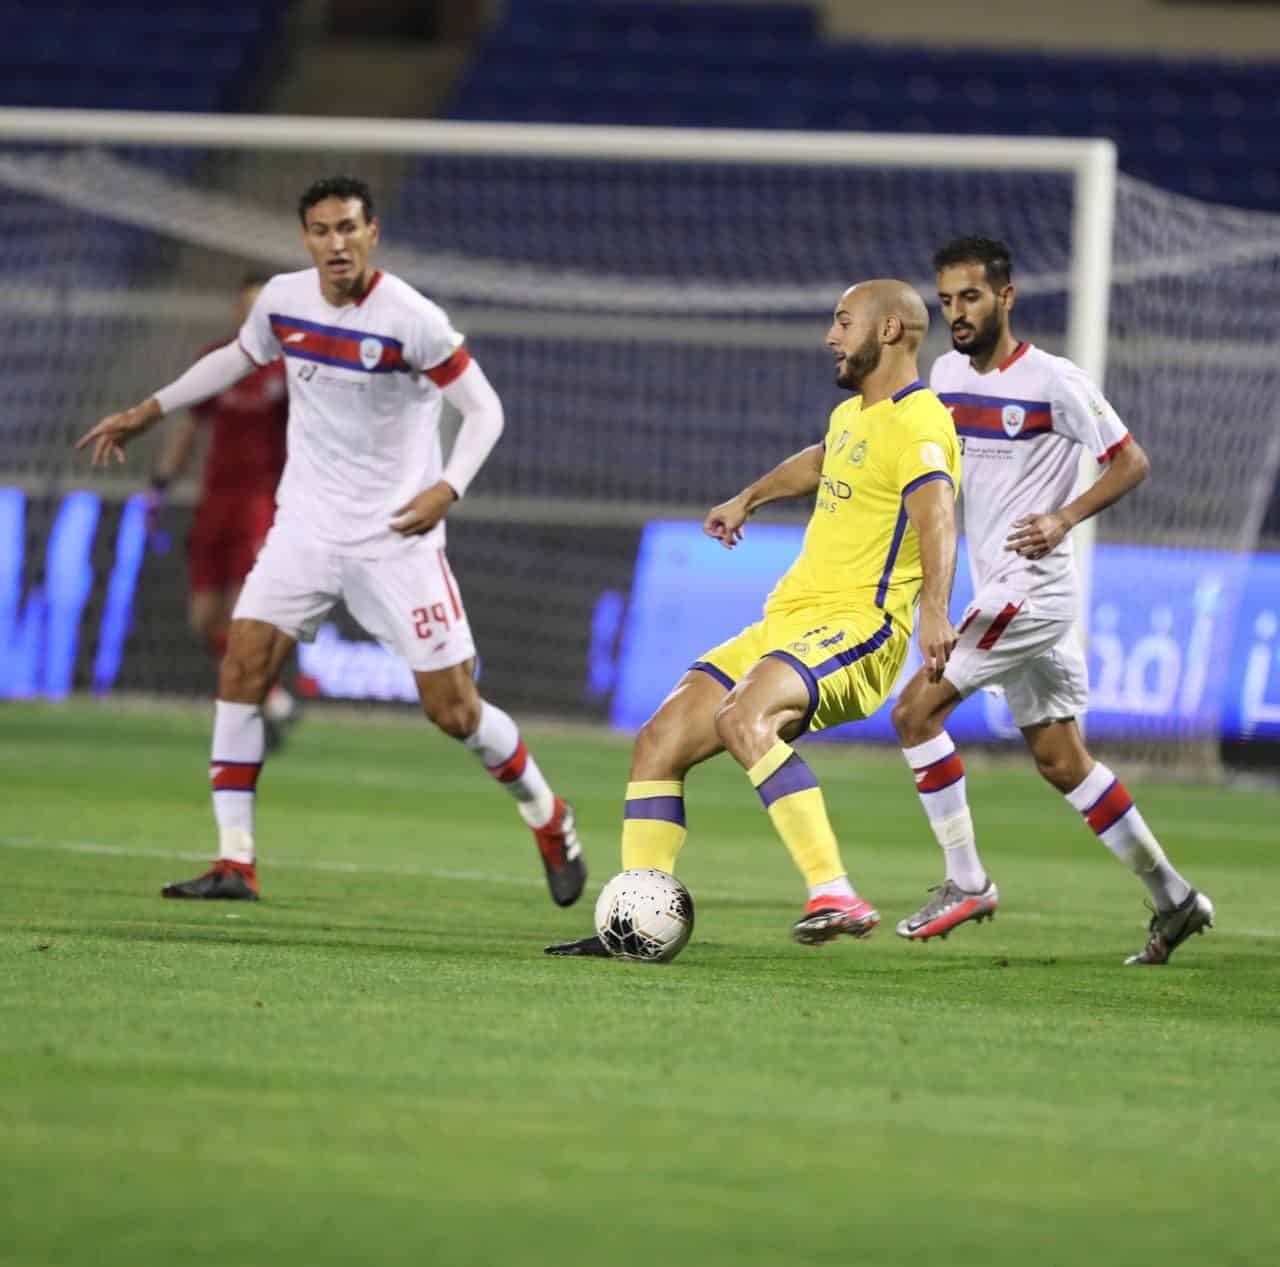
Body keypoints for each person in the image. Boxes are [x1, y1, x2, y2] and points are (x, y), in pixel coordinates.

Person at [77, 175, 586, 908]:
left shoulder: (412, 318)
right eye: (321, 230)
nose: (336, 243)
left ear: (372, 232)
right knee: (243, 665)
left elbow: (485, 409)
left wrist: (447, 488)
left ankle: (549, 813)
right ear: (305, 238)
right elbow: (235, 360)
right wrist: (148, 410)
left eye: (349, 228)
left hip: (396, 537)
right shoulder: (284, 301)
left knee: (456, 711)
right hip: (306, 525)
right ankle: (235, 860)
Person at [547, 279, 961, 956]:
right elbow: (823, 461)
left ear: (887, 331)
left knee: (744, 716)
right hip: (790, 620)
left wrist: (936, 612)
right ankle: (634, 922)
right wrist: (751, 496)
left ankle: (835, 891)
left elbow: (937, 512)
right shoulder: (857, 414)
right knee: (658, 740)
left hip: (862, 626)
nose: (831, 335)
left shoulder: (921, 423)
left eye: (843, 321)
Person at [890, 235, 1212, 965]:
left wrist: (1064, 517)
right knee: (1063, 760)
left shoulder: (1053, 380)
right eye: (945, 300)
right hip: (1004, 591)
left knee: (914, 713)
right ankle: (1176, 898)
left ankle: (967, 880)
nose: (957, 313)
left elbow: (1131, 460)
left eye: (970, 296)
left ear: (1006, 296)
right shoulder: (945, 374)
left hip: (1031, 592)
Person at [148, 273, 299, 748]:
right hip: (215, 502)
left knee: (241, 612)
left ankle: (252, 707)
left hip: (262, 503)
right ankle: (271, 699)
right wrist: (161, 482)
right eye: (246, 306)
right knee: (203, 619)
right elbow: (190, 428)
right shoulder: (218, 361)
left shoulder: (290, 369)